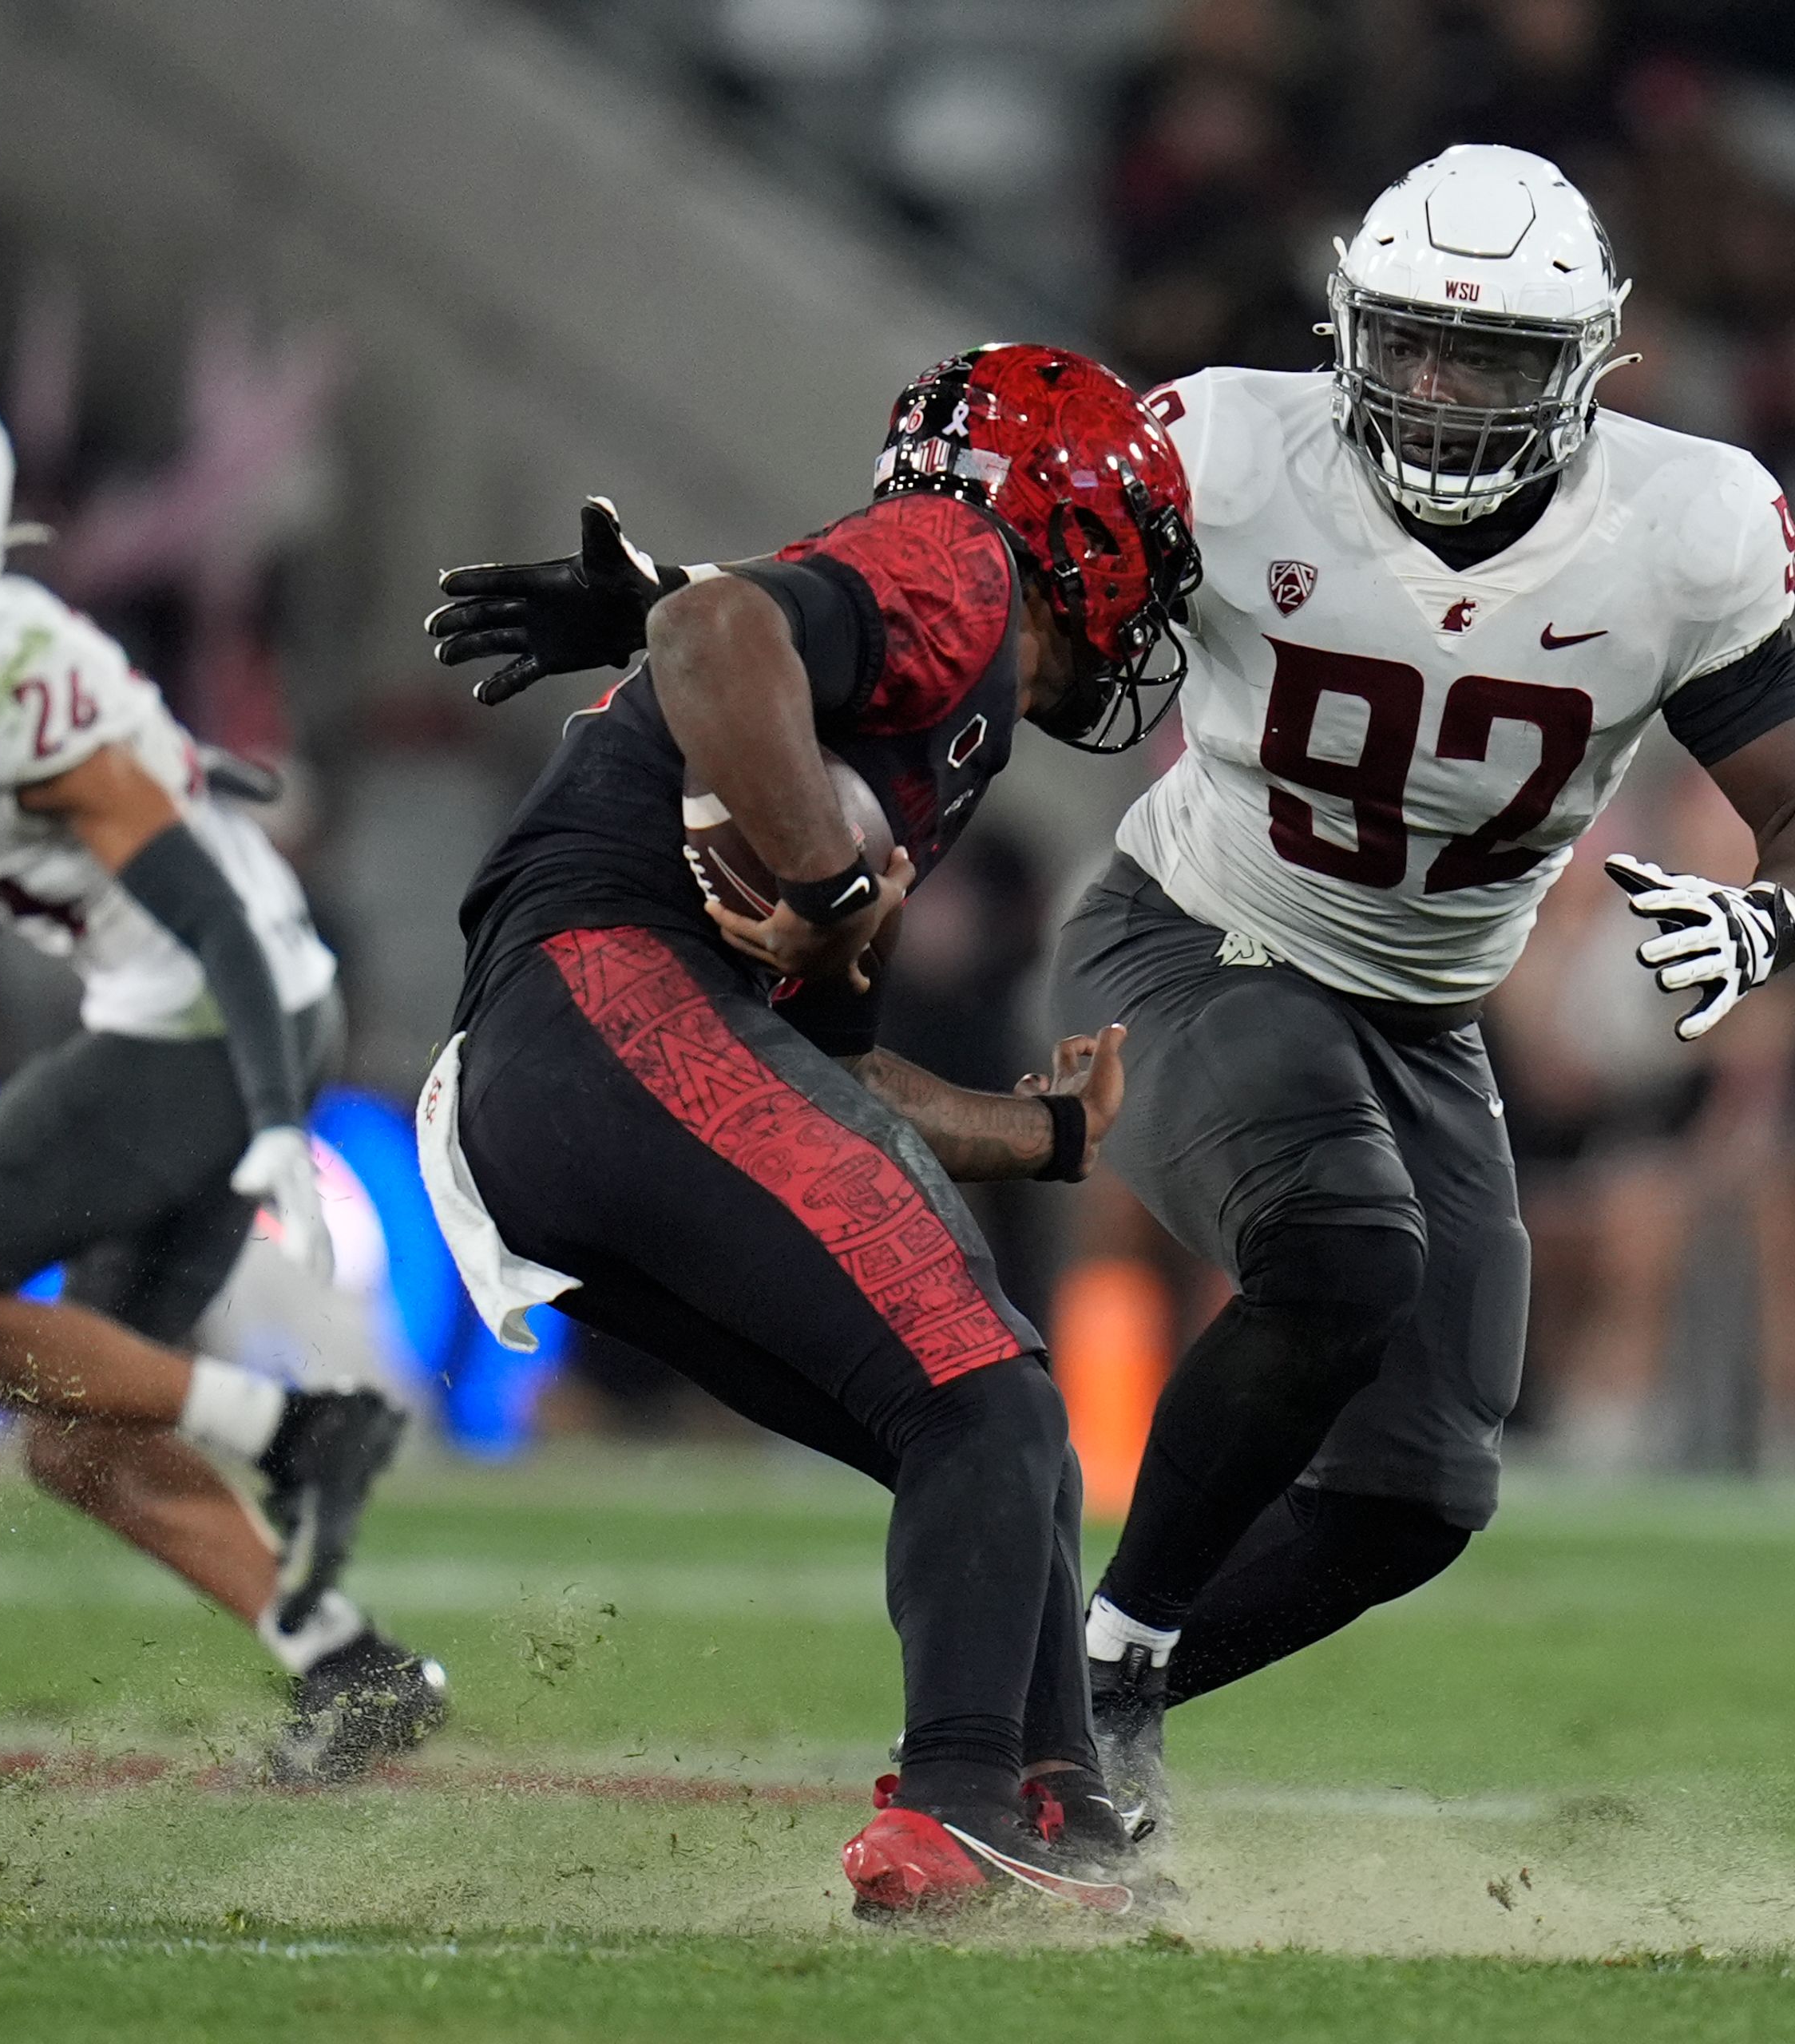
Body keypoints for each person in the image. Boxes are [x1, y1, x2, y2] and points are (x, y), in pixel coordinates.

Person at [1052, 144, 1795, 1837]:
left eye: (1489, 357)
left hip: (1421, 1013)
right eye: (1413, 342)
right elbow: (971, 598)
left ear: (1582, 370)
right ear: (1349, 323)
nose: (1436, 392)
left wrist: (1771, 920)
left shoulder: (1679, 527)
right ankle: (1114, 1676)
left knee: (1417, 1492)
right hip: (1202, 933)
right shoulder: (1224, 448)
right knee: (1346, 1246)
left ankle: (1051, 1698)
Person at [418, 344, 1199, 1914]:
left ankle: (1057, 1807)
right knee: (986, 1403)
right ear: (1077, 528)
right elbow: (710, 624)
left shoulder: (897, 723)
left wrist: (1036, 1134)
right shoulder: (960, 560)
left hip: (573, 1071)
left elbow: (829, 1072)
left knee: (1002, 1430)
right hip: (611, 1007)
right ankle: (967, 1803)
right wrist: (837, 886)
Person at [0, 353, 437, 1783]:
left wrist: (268, 1120)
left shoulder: (5, 682)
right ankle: (354, 1669)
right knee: (80, 1439)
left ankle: (296, 1420)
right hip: (187, 1004)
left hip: (212, 1011)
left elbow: (207, 910)